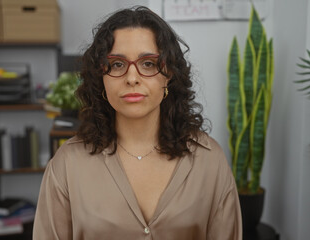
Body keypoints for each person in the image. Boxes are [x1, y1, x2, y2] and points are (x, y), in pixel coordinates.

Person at [33, 6, 242, 240]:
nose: (132, 78)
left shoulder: (209, 160)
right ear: (101, 78)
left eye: (148, 64)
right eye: (117, 64)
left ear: (169, 75)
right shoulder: (66, 165)